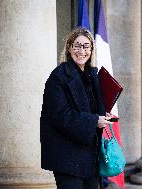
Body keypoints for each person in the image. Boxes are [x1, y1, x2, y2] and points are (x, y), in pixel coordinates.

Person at [40, 27, 112, 189]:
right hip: (67, 155)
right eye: (77, 46)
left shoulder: (91, 75)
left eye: (86, 46)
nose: (82, 51)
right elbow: (59, 115)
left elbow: (91, 107)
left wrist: (103, 114)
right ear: (69, 48)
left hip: (90, 155)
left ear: (91, 50)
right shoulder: (58, 76)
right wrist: (94, 121)